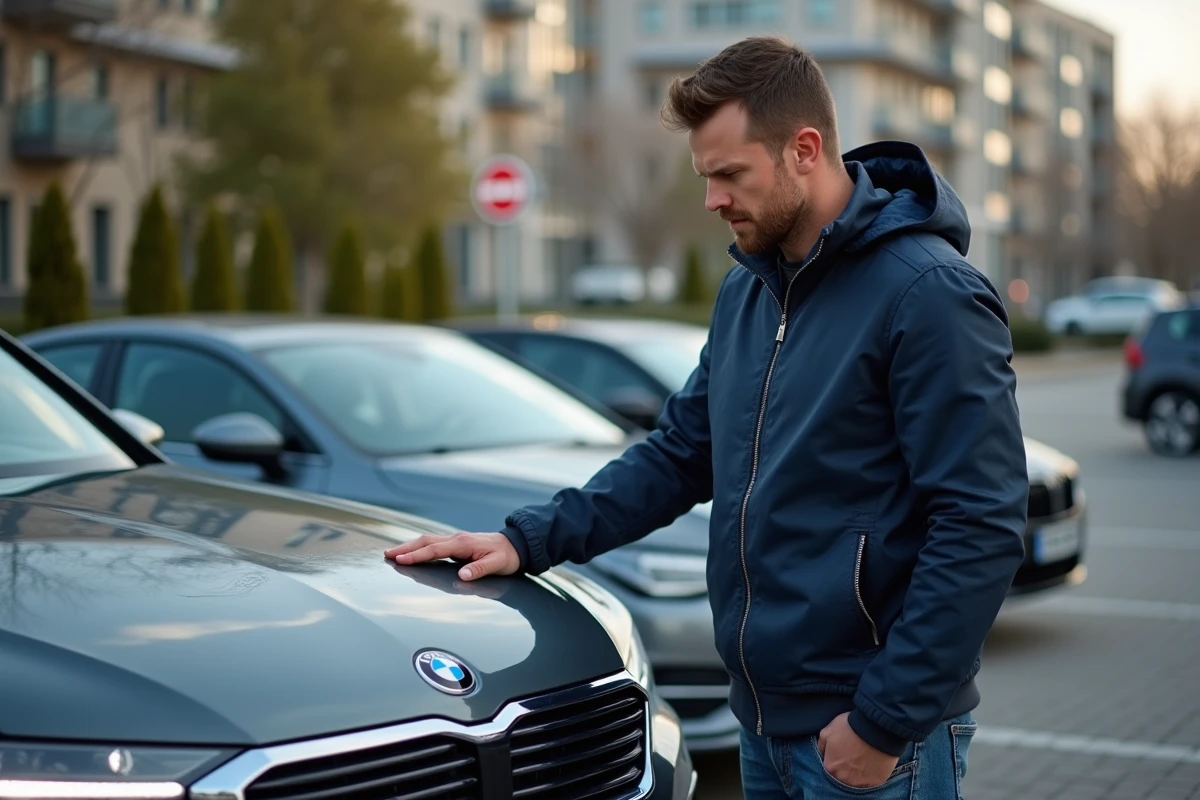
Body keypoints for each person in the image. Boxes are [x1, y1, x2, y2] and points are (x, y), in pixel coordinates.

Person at [386, 35, 1027, 799]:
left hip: (872, 739)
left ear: (805, 149)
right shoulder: (749, 293)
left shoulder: (928, 296)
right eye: (705, 175)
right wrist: (528, 539)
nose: (712, 199)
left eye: (730, 174)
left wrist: (883, 722)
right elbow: (681, 453)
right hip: (764, 723)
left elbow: (982, 522)